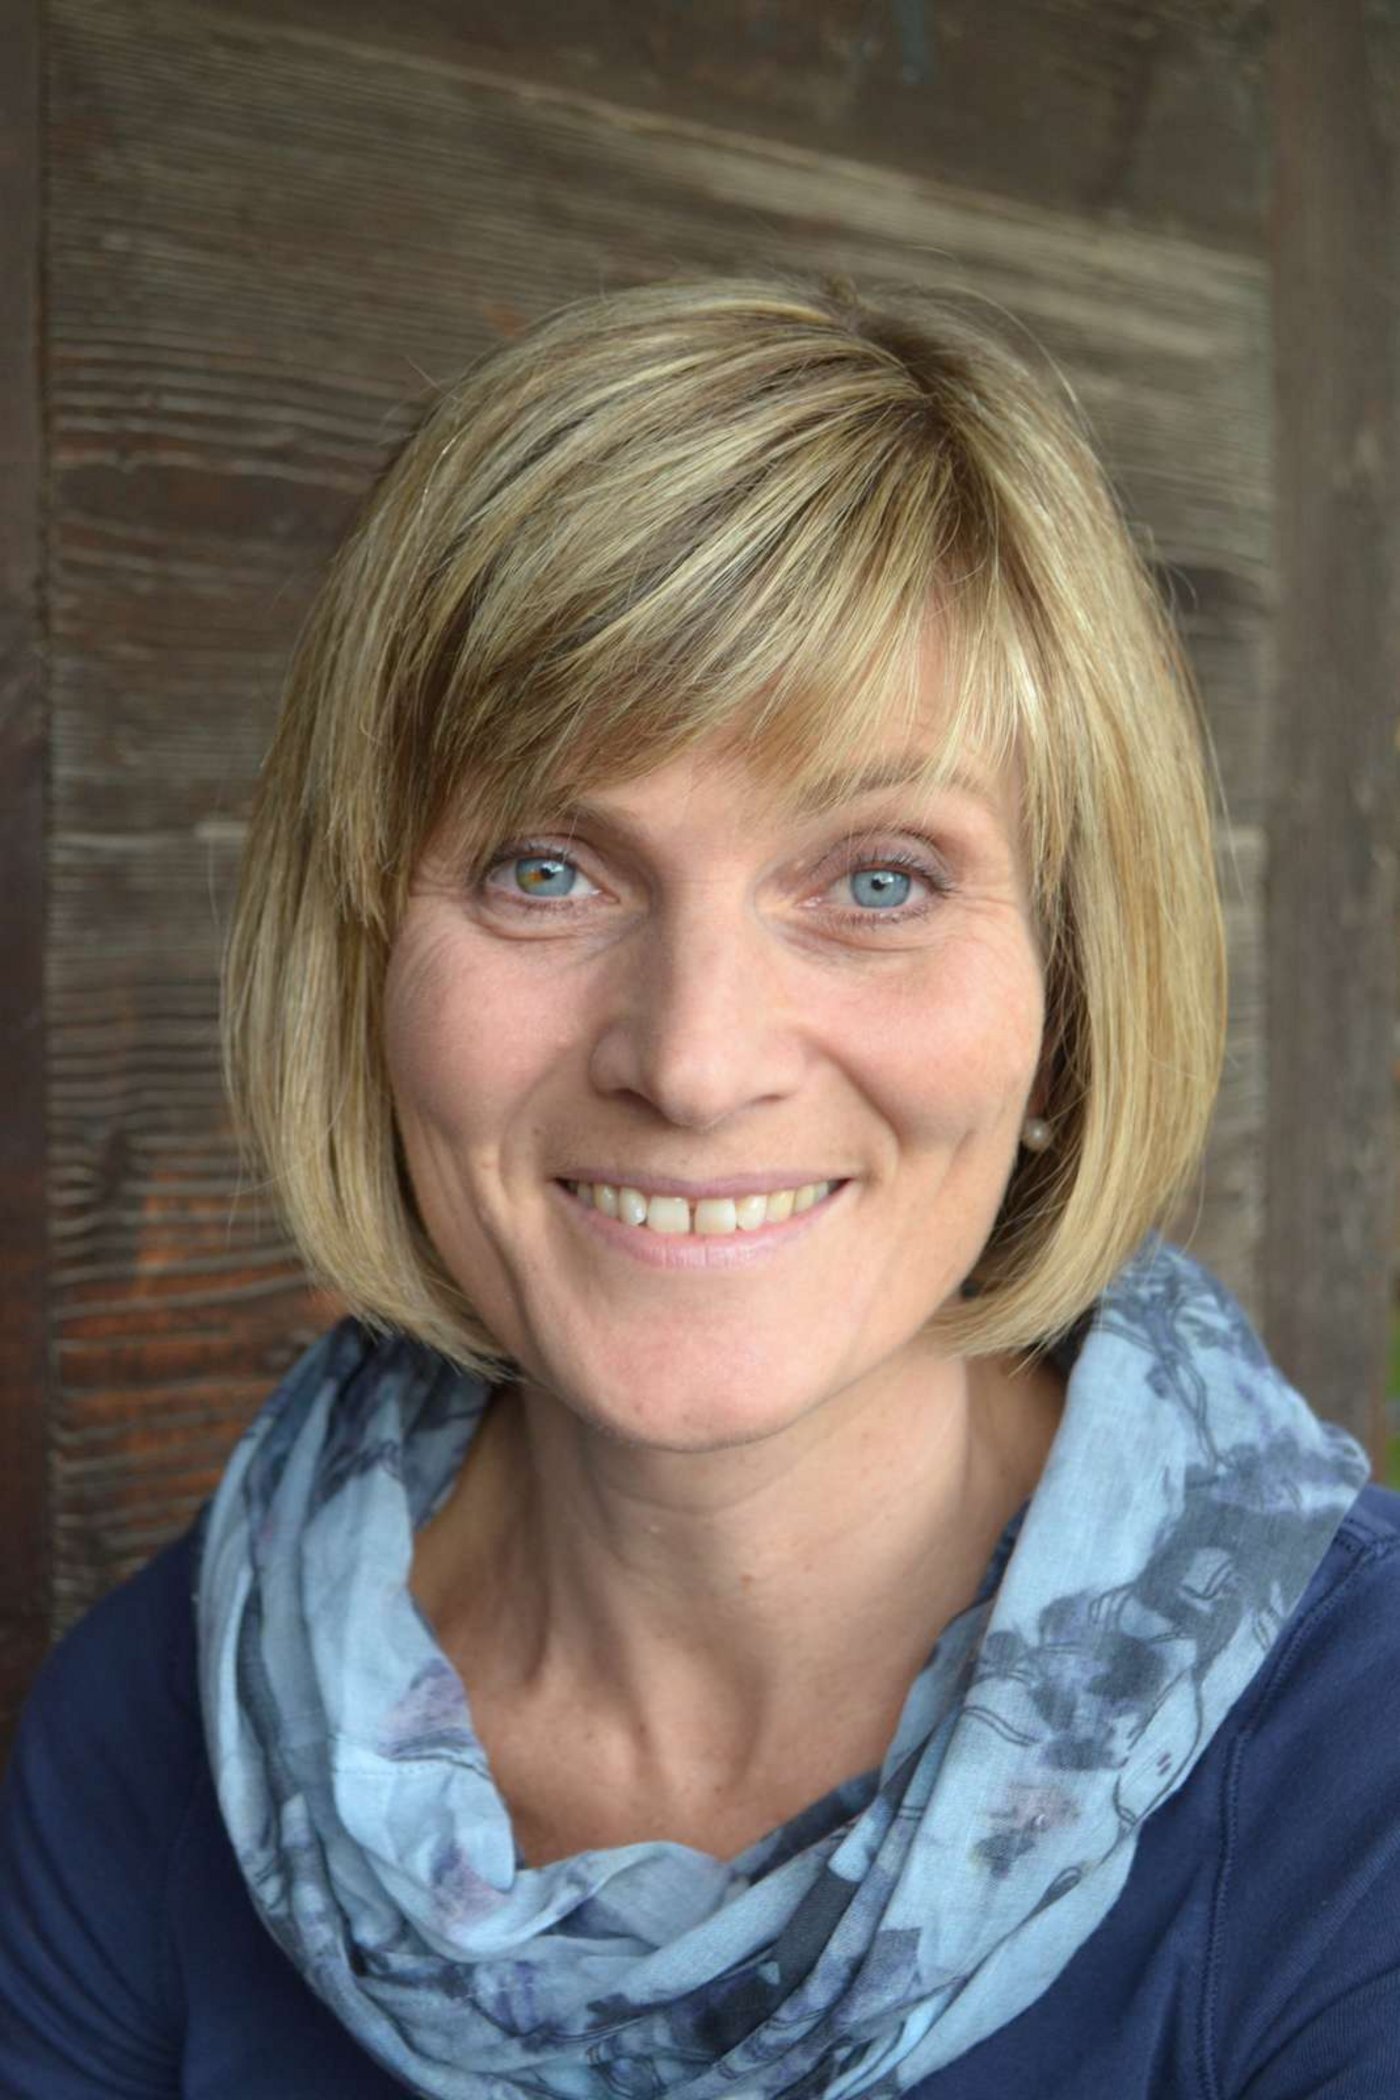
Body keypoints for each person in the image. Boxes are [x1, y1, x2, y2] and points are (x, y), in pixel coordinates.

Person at [2, 277, 1398, 2100]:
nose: (694, 1059)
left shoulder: (1359, 1770)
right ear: (363, 974)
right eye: (547, 869)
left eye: (880, 880)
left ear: (1068, 1004)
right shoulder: (152, 1736)